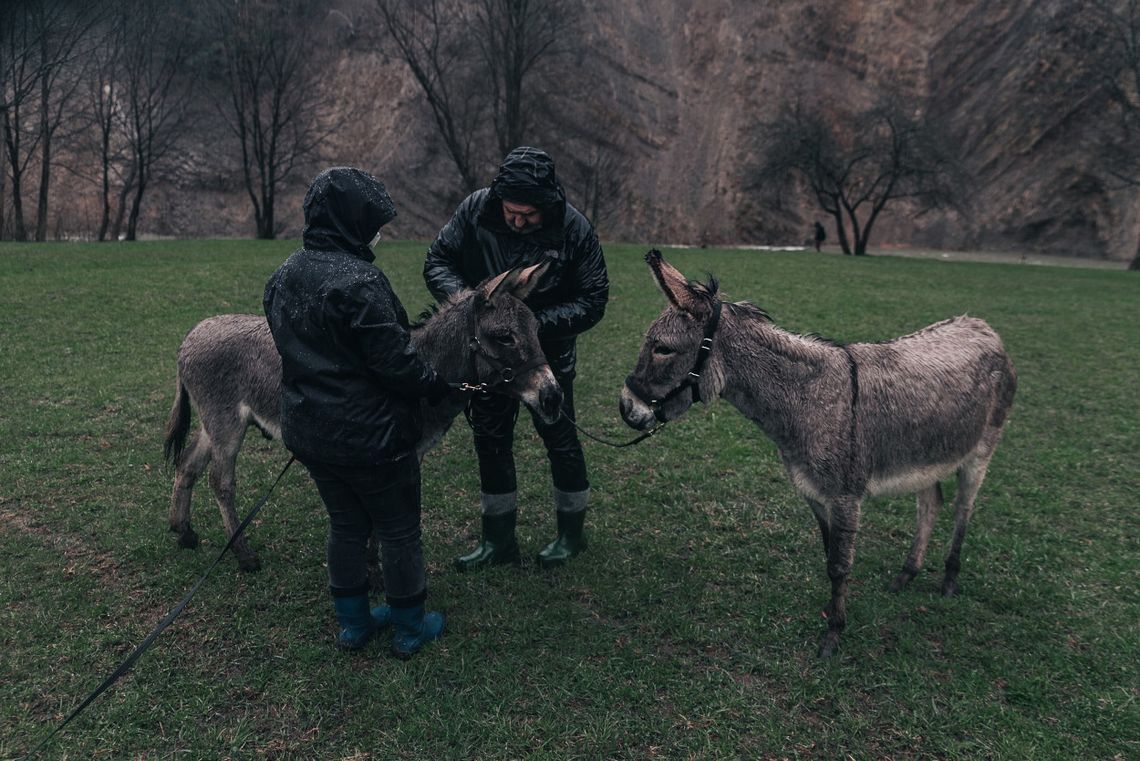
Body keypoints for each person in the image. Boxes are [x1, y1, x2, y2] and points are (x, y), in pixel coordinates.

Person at [263, 167, 452, 658]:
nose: (379, 232)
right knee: (397, 528)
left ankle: (354, 623)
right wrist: (436, 384)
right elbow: (396, 362)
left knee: (345, 525)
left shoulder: (284, 274)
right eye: (373, 221)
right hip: (373, 439)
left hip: (309, 433)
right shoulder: (362, 282)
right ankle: (411, 625)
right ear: (352, 221)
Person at [424, 146, 609, 571]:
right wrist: (476, 310)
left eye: (529, 215)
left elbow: (594, 299)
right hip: (486, 357)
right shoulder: (475, 210)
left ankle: (570, 536)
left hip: (547, 355)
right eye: (512, 212)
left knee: (560, 439)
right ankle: (498, 541)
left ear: (547, 204)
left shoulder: (574, 229)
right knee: (489, 440)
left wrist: (528, 323)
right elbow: (437, 261)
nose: (519, 221)